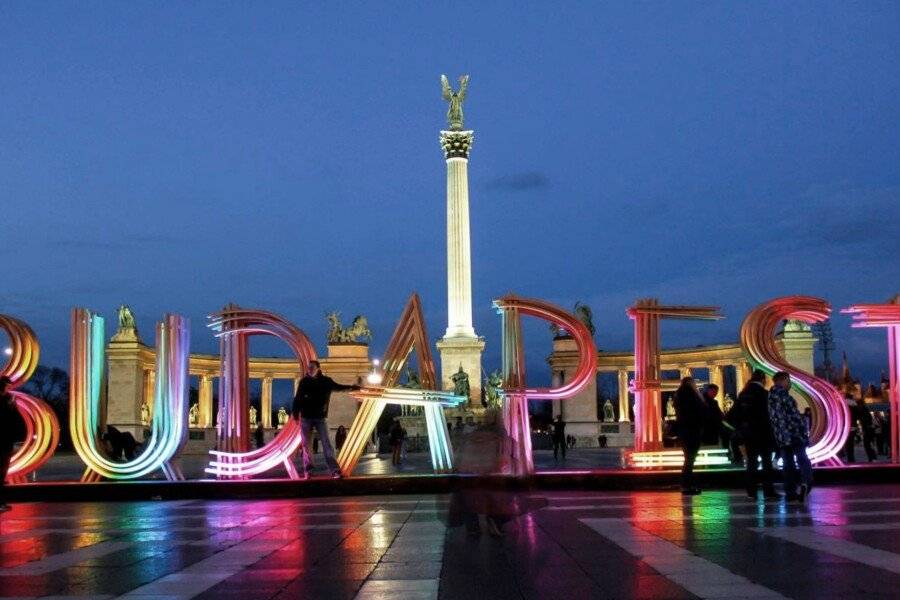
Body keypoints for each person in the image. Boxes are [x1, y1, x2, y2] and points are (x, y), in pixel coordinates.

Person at [292, 360, 360, 479]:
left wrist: (352, 388)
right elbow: (297, 398)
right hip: (306, 417)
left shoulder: (326, 381)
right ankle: (308, 470)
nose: (310, 370)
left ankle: (334, 470)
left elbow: (339, 387)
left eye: (312, 367)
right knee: (305, 445)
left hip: (320, 417)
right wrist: (295, 414)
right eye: (309, 368)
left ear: (318, 368)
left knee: (326, 443)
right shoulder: (304, 381)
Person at [733, 370, 779, 499]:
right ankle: (768, 491)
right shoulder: (764, 394)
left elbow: (735, 414)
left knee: (752, 463)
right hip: (764, 433)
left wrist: (740, 429)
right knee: (766, 463)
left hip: (748, 434)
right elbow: (770, 414)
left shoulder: (743, 394)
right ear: (763, 379)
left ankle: (751, 491)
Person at [768, 371, 813, 501]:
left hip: (781, 436)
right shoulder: (784, 396)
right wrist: (803, 430)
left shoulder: (770, 396)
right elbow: (793, 417)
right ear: (784, 380)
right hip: (794, 434)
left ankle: (790, 492)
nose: (790, 384)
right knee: (802, 459)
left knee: (788, 464)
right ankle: (806, 483)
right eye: (789, 381)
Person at [673, 376, 706, 495]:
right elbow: (698, 411)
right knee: (690, 459)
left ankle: (687, 485)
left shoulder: (679, 394)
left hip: (685, 430)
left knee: (689, 459)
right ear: (690, 383)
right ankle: (686, 485)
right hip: (692, 430)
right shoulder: (689, 394)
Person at [0, 377, 18, 512]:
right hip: (4, 443)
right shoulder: (5, 401)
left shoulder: (7, 400)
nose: (9, 389)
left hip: (6, 442)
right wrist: (11, 406)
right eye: (8, 386)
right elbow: (10, 420)